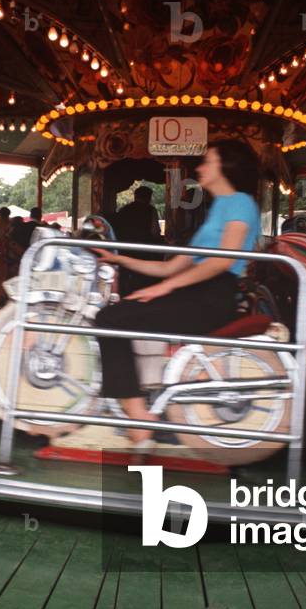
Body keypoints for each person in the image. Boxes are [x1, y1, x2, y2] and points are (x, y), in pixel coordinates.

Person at [92, 139, 261, 452]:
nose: (200, 168)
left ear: (226, 167)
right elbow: (169, 267)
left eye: (208, 161)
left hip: (214, 295)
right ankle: (139, 406)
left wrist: (166, 287)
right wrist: (118, 258)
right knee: (115, 313)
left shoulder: (239, 203)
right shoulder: (217, 210)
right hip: (198, 291)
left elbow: (223, 261)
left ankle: (138, 418)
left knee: (110, 319)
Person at [113, 185, 164, 295]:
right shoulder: (151, 210)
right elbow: (155, 232)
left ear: (135, 196)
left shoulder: (124, 210)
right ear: (149, 197)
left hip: (124, 249)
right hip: (144, 250)